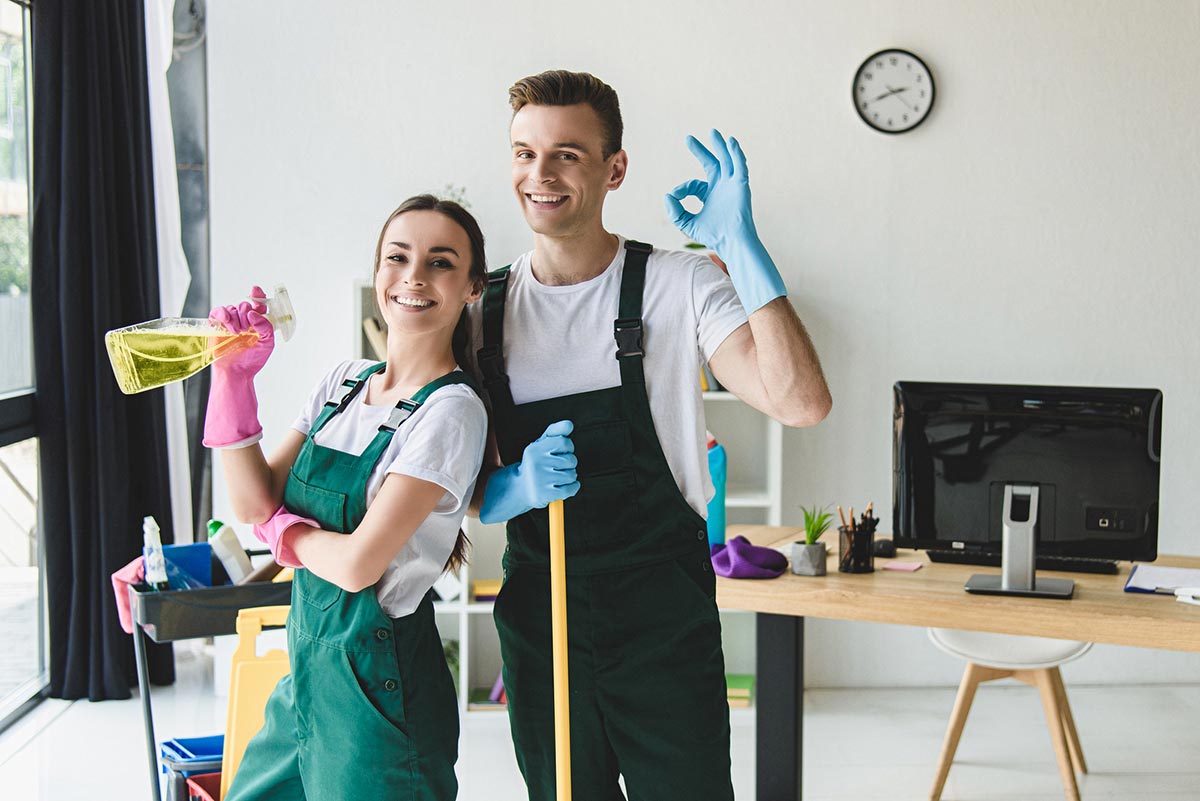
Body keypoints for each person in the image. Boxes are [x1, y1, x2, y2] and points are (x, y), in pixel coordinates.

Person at [468, 70, 832, 801]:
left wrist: (744, 251)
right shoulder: (481, 313)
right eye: (523, 152)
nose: (539, 175)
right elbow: (465, 489)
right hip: (545, 622)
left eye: (567, 154)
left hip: (662, 619)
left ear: (615, 168)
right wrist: (517, 485)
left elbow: (800, 403)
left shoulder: (680, 284)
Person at [205, 195, 489, 801]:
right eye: (398, 257)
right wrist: (232, 382)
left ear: (471, 287)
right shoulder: (342, 383)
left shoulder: (451, 411)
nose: (414, 276)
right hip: (308, 673)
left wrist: (285, 534)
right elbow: (254, 504)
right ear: (379, 271)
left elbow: (361, 564)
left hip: (379, 691)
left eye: (441, 262)